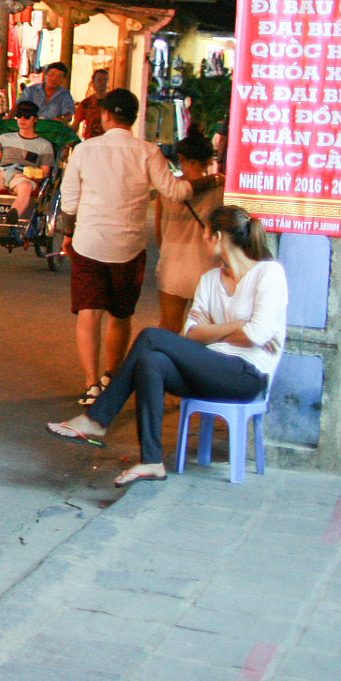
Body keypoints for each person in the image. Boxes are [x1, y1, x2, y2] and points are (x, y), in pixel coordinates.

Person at [49, 205, 285, 487]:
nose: (202, 240)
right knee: (151, 362)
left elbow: (256, 335)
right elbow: (191, 334)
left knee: (151, 337)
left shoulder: (268, 274)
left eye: (205, 234)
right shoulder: (210, 280)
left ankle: (98, 419)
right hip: (207, 368)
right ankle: (151, 460)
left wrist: (219, 332)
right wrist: (238, 327)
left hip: (246, 375)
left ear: (218, 237)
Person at [57, 88, 193, 406]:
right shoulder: (148, 152)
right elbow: (174, 191)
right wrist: (206, 182)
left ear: (105, 116)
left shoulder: (84, 150)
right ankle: (111, 376)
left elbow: (70, 202)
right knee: (120, 315)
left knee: (89, 314)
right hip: (128, 247)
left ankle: (91, 385)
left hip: (89, 242)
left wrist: (68, 233)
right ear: (133, 119)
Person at [155, 133, 224, 334]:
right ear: (207, 161)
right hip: (207, 266)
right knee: (203, 331)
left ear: (182, 159)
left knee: (169, 327)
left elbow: (159, 233)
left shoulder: (168, 191)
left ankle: (168, 364)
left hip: (173, 266)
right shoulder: (220, 191)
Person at [0, 101, 55, 222]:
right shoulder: (4, 138)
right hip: (2, 173)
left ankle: (12, 218)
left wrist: (33, 177)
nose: (22, 119)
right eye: (19, 116)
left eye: (27, 117)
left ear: (35, 119)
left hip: (24, 176)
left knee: (26, 186)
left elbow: (45, 172)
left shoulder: (44, 145)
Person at [71, 68, 112, 139]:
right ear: (93, 83)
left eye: (105, 80)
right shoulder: (86, 103)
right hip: (90, 140)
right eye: (99, 80)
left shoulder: (113, 101)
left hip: (108, 140)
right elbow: (76, 124)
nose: (102, 83)